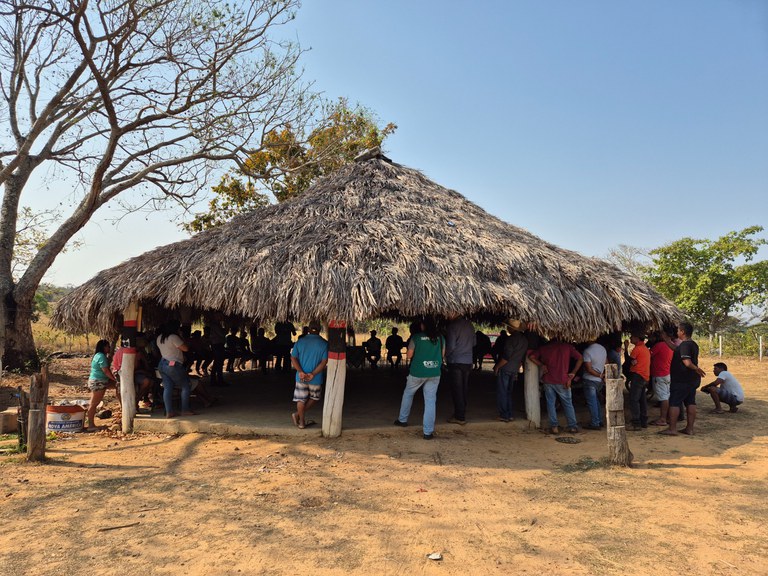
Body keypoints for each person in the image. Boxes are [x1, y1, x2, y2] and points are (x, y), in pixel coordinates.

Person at [394, 317, 444, 439]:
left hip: (417, 372)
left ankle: (402, 419)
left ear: (423, 326)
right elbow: (442, 355)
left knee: (408, 394)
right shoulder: (441, 338)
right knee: (430, 400)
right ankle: (428, 432)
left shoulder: (416, 337)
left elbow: (409, 356)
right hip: (434, 372)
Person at [659, 321, 706, 436]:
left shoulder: (685, 345)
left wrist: (696, 368)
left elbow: (687, 362)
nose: (677, 332)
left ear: (683, 332)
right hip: (691, 380)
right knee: (690, 402)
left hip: (681, 380)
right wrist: (666, 339)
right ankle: (689, 429)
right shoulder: (692, 344)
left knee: (674, 403)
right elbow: (676, 349)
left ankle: (672, 429)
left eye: (678, 330)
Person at [529, 339, 583, 434]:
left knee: (551, 404)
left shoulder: (544, 348)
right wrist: (573, 373)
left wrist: (542, 365)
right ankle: (573, 427)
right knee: (568, 404)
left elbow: (531, 356)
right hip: (563, 380)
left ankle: (554, 427)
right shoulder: (567, 347)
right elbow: (580, 358)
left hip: (548, 380)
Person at [290, 320, 328, 429]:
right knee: (315, 398)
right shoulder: (324, 344)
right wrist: (312, 374)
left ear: (308, 329)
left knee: (300, 400)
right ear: (320, 329)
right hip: (315, 377)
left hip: (300, 377)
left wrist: (301, 371)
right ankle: (297, 415)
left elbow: (293, 357)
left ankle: (301, 421)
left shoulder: (300, 342)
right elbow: (324, 362)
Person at [157, 319, 196, 418]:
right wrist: (181, 336)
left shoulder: (159, 337)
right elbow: (185, 348)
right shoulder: (174, 337)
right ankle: (185, 410)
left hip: (162, 363)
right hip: (173, 364)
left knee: (168, 387)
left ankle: (169, 411)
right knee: (185, 386)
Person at [493, 321, 528, 423]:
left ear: (513, 329)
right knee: (509, 392)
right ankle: (509, 414)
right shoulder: (524, 340)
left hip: (506, 368)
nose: (507, 328)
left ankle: (504, 415)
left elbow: (506, 357)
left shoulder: (511, 339)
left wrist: (497, 367)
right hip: (514, 369)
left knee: (502, 392)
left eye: (508, 327)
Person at [445, 316, 476, 425]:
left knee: (457, 389)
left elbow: (451, 346)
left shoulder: (452, 326)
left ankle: (460, 416)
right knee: (464, 388)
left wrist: (445, 355)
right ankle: (461, 412)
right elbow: (474, 343)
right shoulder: (470, 325)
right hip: (467, 361)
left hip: (456, 361)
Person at [86, 339, 119, 432]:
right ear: (104, 347)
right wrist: (114, 379)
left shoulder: (97, 355)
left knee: (118, 386)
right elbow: (105, 371)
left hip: (98, 380)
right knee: (94, 404)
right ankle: (91, 425)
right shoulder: (101, 357)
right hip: (98, 382)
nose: (109, 348)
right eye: (108, 346)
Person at [624, 333, 650, 430]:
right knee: (642, 399)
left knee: (634, 399)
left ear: (637, 337)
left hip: (637, 375)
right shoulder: (644, 348)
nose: (630, 338)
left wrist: (626, 348)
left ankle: (636, 423)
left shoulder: (637, 349)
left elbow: (628, 361)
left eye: (632, 337)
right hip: (644, 376)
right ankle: (643, 421)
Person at [580, 338, 607, 430]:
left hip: (590, 380)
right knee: (596, 401)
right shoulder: (602, 349)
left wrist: (599, 375)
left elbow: (589, 369)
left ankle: (595, 422)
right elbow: (607, 363)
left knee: (592, 402)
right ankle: (599, 420)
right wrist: (603, 375)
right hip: (599, 381)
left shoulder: (587, 351)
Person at [650, 329, 674, 426]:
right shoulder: (672, 345)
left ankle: (663, 419)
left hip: (659, 374)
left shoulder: (659, 345)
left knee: (663, 398)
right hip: (667, 373)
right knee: (667, 396)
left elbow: (649, 354)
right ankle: (667, 417)